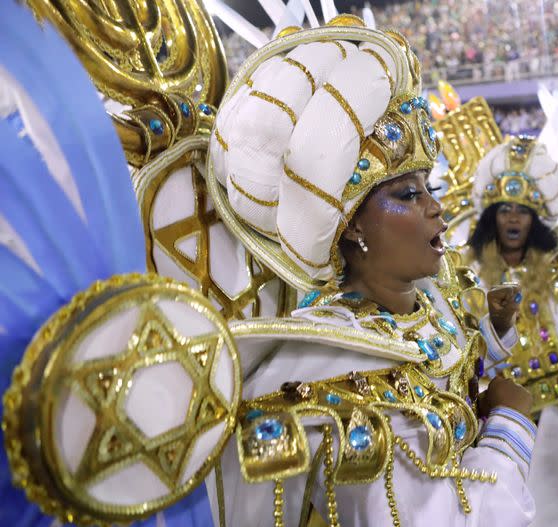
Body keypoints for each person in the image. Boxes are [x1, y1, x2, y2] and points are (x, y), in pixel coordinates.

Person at [205, 18, 539, 526]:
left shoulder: (428, 301)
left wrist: (494, 337)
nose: (437, 210)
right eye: (408, 195)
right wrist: (510, 427)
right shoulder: (333, 370)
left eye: (430, 189)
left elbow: (449, 363)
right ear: (351, 225)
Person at [460, 137, 558, 527]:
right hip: (490, 410)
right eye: (505, 209)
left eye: (522, 211)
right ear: (492, 215)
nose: (512, 218)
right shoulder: (467, 273)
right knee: (496, 497)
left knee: (557, 498)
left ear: (535, 219)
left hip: (554, 408)